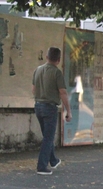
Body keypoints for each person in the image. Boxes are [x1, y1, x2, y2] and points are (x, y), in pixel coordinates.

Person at [32, 46, 72, 175]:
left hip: (38, 105)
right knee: (48, 138)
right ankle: (42, 166)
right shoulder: (56, 72)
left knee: (47, 136)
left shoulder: (37, 70)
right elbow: (63, 92)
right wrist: (68, 111)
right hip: (50, 107)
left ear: (47, 57)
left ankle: (53, 160)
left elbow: (33, 89)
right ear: (58, 60)